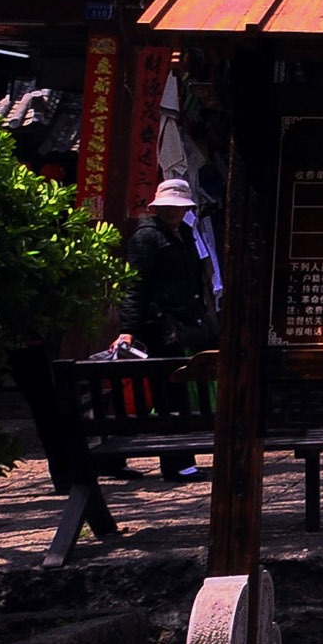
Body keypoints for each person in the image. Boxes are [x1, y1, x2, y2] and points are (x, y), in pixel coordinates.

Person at [111, 178, 218, 477]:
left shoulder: (184, 233)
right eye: (169, 207)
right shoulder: (146, 237)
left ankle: (179, 461)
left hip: (183, 323)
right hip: (158, 326)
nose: (174, 212)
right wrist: (128, 328)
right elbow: (136, 286)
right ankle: (178, 464)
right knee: (169, 396)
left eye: (179, 207)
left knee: (175, 393)